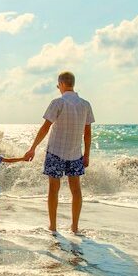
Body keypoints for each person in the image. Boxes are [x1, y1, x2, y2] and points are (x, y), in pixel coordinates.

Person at [23, 71, 95, 234]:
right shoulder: (85, 104)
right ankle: (74, 227)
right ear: (73, 84)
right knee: (76, 191)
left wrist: (33, 147)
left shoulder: (58, 102)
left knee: (53, 190)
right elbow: (88, 133)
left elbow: (45, 127)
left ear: (61, 84)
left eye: (58, 85)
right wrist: (87, 154)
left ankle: (53, 226)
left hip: (55, 152)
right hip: (76, 153)